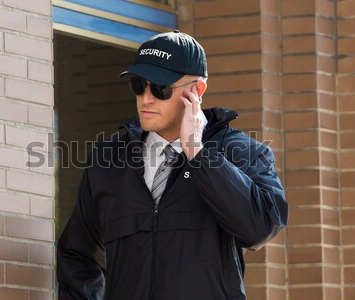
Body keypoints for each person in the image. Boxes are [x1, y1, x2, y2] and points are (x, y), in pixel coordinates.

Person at [57, 30, 288, 300]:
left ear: (197, 90)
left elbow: (260, 228)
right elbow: (77, 255)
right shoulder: (108, 160)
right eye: (138, 85)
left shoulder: (242, 152)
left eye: (160, 88)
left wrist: (198, 154)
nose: (146, 98)